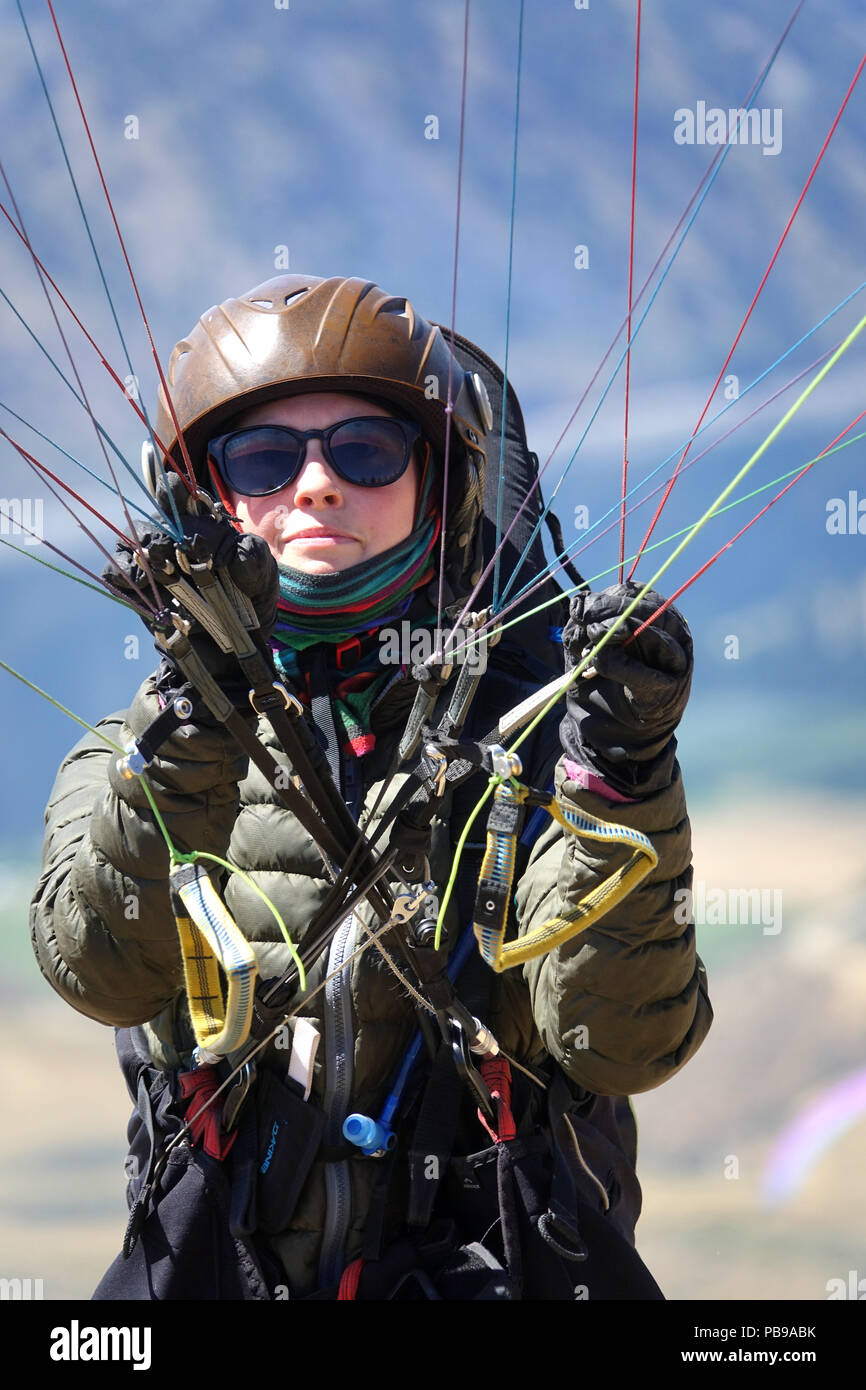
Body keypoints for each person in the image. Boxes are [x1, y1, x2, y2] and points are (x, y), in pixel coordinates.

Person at [30, 273, 711, 1301]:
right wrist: (192, 729)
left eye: (364, 450)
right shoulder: (128, 751)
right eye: (263, 456)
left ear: (438, 481)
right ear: (204, 498)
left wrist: (622, 777)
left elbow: (621, 1042)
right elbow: (100, 971)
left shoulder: (533, 746)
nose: (313, 484)